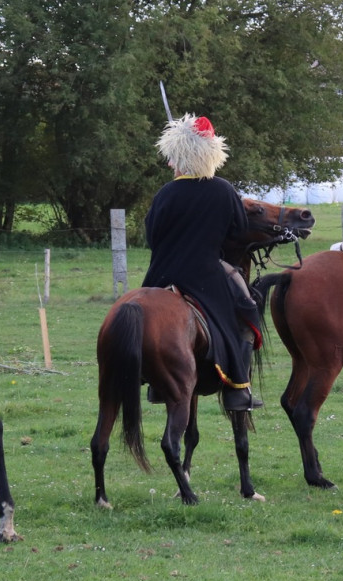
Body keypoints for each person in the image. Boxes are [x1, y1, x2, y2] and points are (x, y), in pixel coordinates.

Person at [142, 114, 263, 411]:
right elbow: (237, 233)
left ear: (178, 155)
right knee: (246, 315)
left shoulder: (165, 193)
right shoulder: (223, 190)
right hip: (206, 273)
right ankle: (238, 387)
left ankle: (156, 383)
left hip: (161, 273)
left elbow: (151, 236)